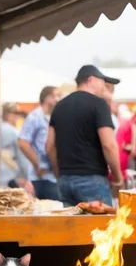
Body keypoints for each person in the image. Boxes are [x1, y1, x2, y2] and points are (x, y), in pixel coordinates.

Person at [46, 65, 124, 206]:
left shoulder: (59, 106)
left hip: (65, 181)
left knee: (72, 227)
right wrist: (118, 177)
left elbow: (49, 146)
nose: (104, 88)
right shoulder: (99, 104)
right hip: (92, 180)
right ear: (91, 80)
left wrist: (60, 174)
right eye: (102, 83)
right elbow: (108, 144)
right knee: (100, 227)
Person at [18, 86, 60, 200]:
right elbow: (23, 142)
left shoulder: (51, 116)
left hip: (50, 176)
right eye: (55, 96)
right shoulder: (34, 117)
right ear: (47, 98)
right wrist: (38, 164)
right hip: (40, 177)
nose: (57, 99)